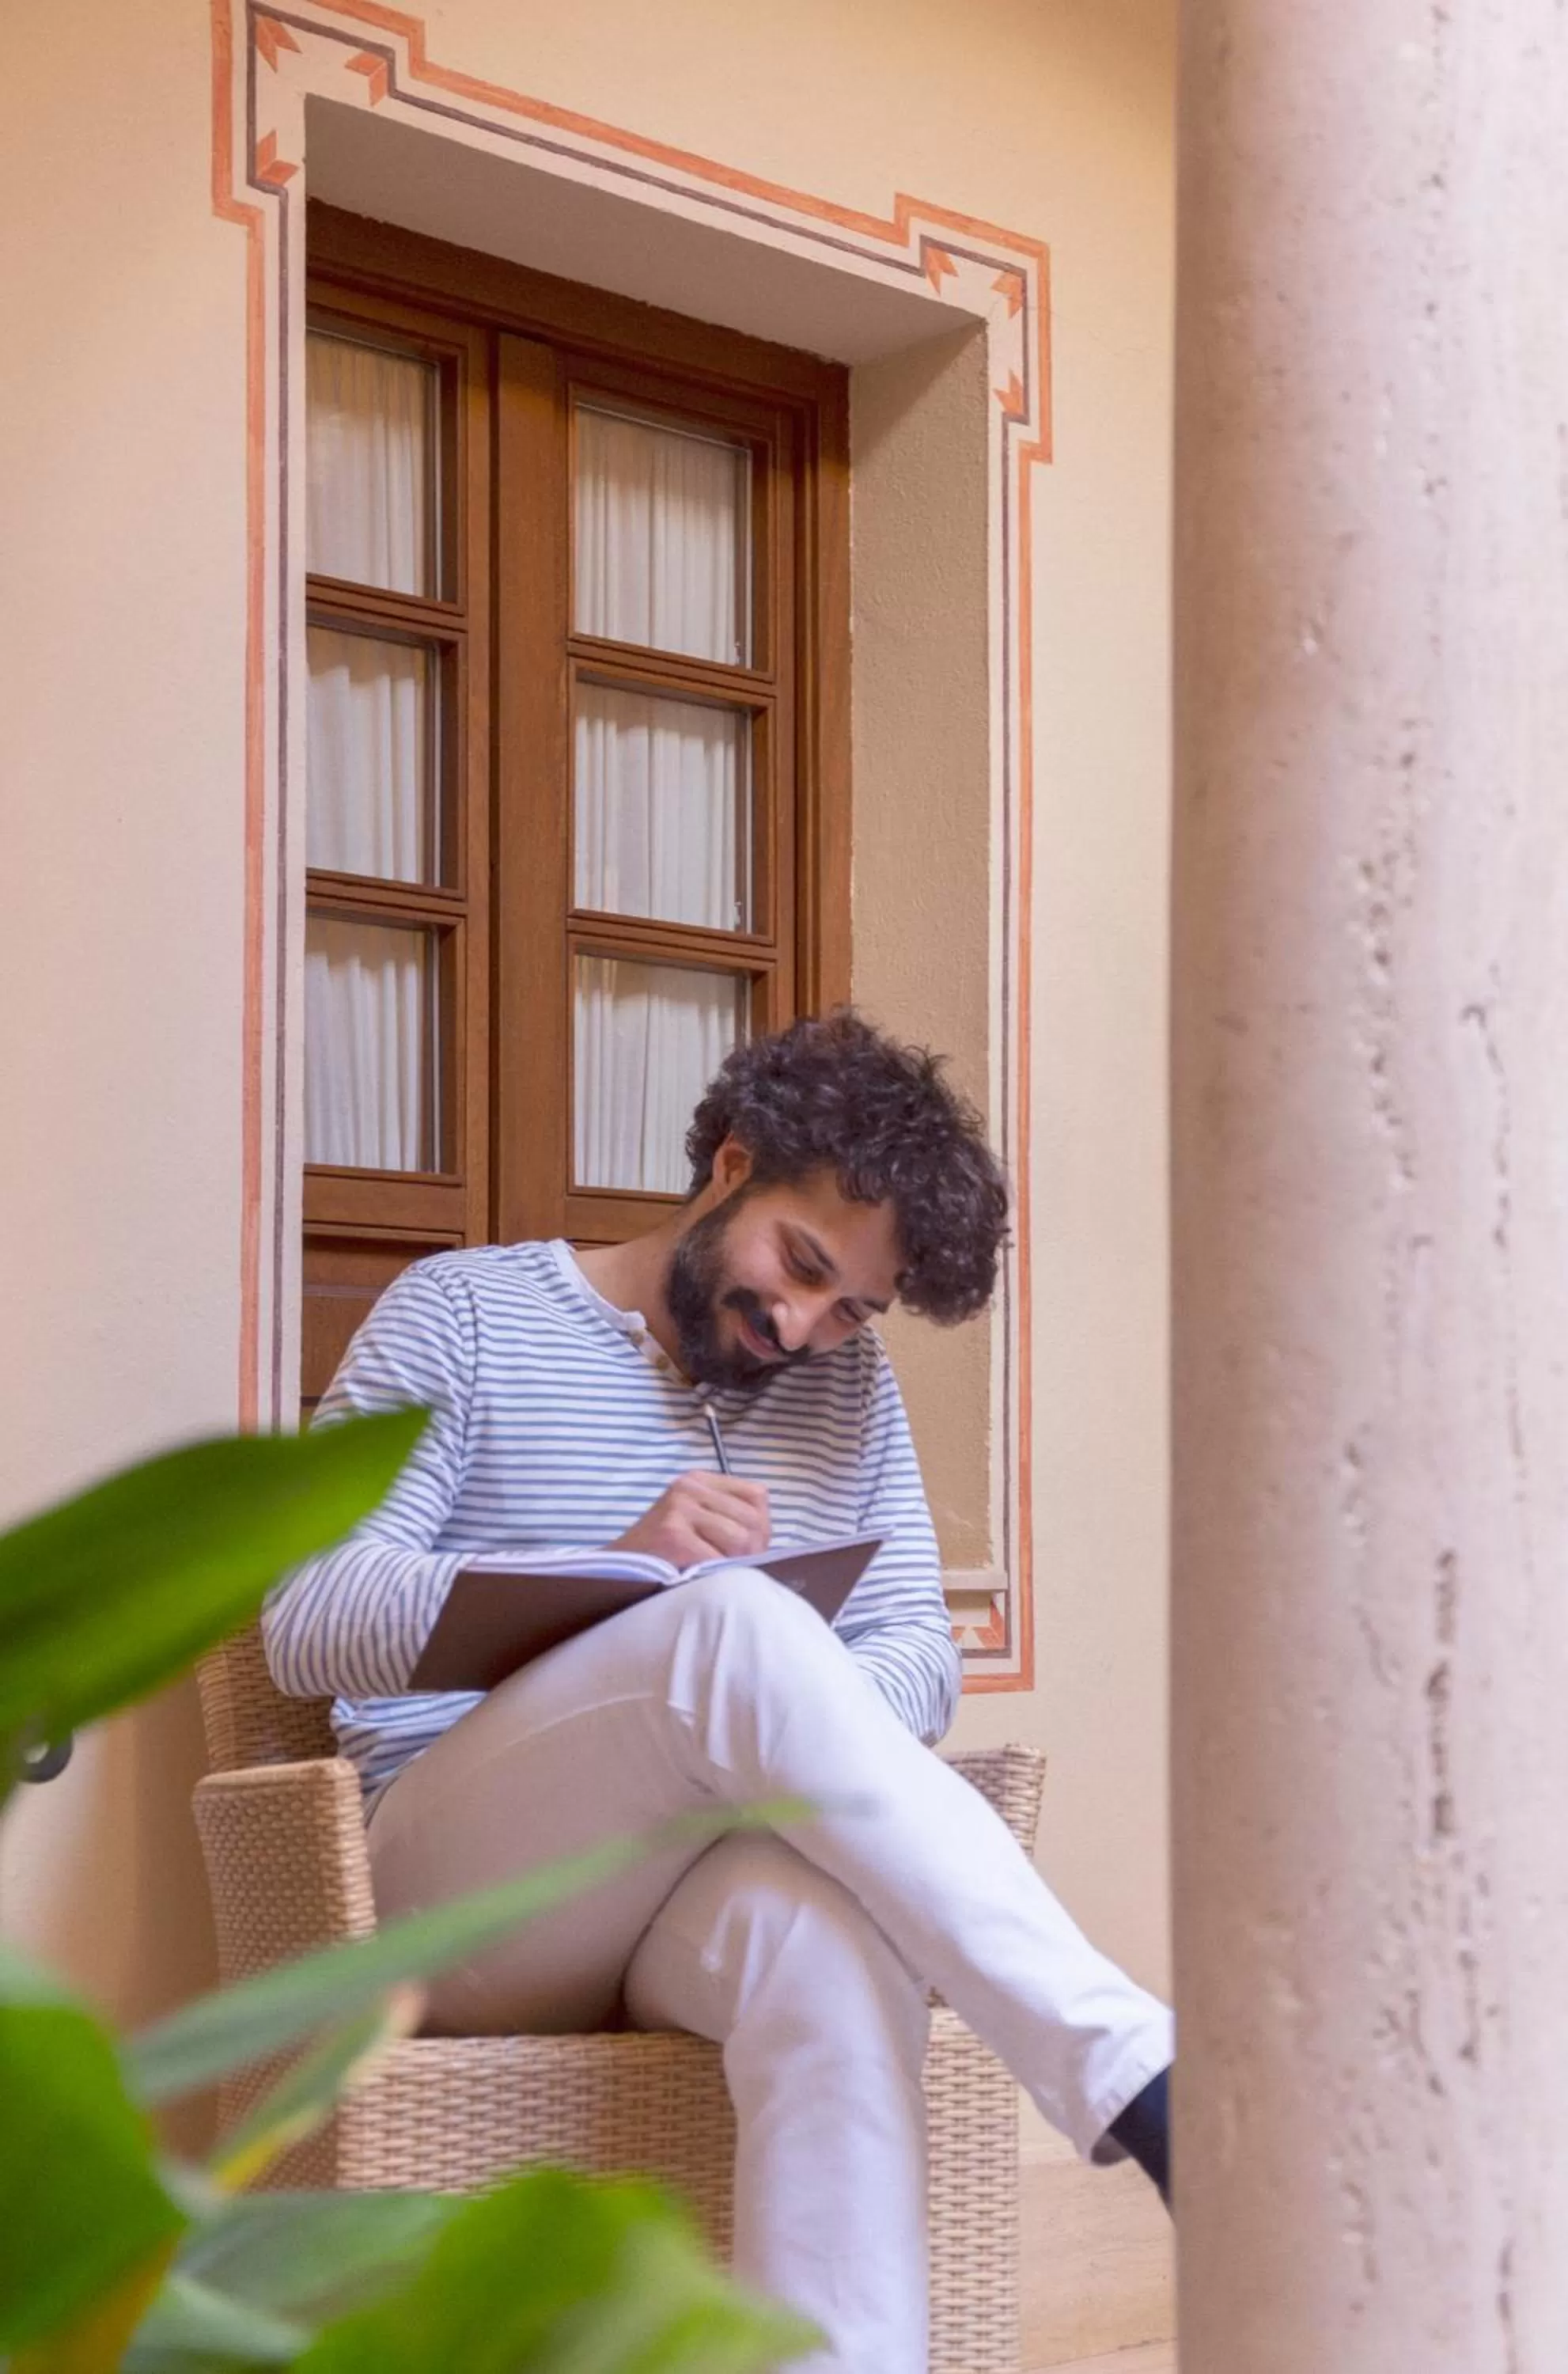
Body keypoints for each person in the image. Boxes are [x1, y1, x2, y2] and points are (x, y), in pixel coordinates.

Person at [265, 1010, 1174, 2371]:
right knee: (729, 1620)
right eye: (799, 1265)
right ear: (731, 1165)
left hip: (678, 1887)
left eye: (850, 1309)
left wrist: (790, 1683)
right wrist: (620, 1575)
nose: (804, 1328)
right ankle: (1133, 2075)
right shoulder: (465, 1314)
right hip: (452, 1892)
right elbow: (301, 1619)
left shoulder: (843, 1389)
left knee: (833, 1947)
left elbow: (918, 1653)